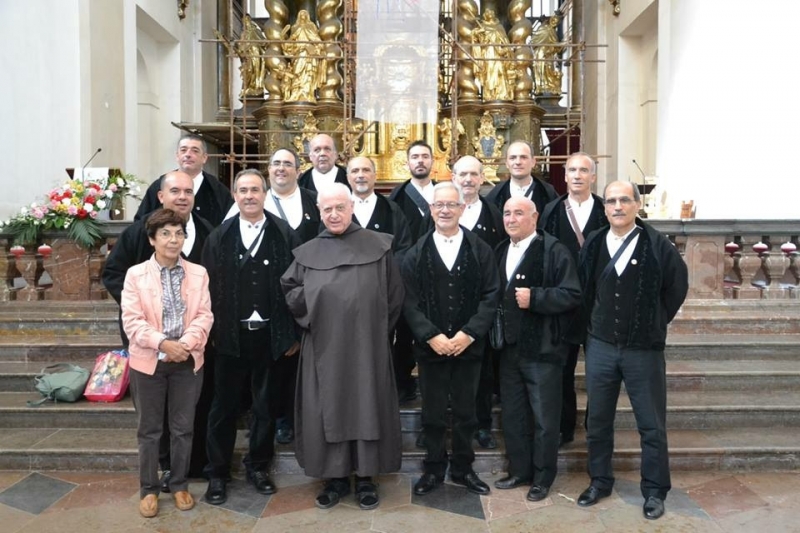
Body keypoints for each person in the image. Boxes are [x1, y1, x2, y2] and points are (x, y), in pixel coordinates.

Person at [281, 183, 404, 510]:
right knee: (327, 406)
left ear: (352, 208)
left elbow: (393, 297)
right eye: (327, 210)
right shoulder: (308, 252)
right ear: (319, 213)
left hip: (368, 346)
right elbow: (291, 289)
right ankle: (334, 479)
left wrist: (375, 330)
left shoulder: (378, 248)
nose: (333, 214)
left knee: (366, 404)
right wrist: (319, 310)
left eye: (339, 208)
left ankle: (366, 478)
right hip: (323, 346)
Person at [572, 181, 688, 520]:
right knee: (597, 420)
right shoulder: (594, 243)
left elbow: (676, 286)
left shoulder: (656, 244)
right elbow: (585, 288)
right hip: (601, 347)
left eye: (625, 200)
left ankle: (654, 491)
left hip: (643, 350)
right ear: (604, 207)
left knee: (651, 424)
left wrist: (654, 321)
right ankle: (600, 481)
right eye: (611, 201)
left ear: (638, 205)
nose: (618, 206)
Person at [103, 170, 215, 485]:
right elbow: (115, 275)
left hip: (192, 348)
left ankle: (187, 470)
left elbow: (207, 300)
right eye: (175, 190)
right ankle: (159, 475)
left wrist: (190, 340)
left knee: (187, 417)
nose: (182, 196)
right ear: (160, 196)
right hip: (149, 347)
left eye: (188, 191)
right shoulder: (138, 234)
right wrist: (147, 319)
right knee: (153, 423)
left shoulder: (206, 230)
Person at [201, 169, 301, 505]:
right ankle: (217, 472)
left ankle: (258, 467)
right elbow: (208, 288)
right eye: (242, 190)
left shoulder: (284, 232)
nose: (249, 196)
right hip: (229, 336)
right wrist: (212, 332)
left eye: (255, 190)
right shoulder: (219, 236)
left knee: (265, 407)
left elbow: (297, 285)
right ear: (234, 194)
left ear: (265, 192)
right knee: (223, 408)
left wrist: (291, 333)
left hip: (271, 337)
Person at [402, 182, 501, 497]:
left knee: (465, 412)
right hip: (430, 349)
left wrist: (469, 333)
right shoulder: (414, 253)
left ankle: (463, 468)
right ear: (431, 210)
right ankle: (432, 468)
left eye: (451, 205)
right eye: (439, 205)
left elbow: (491, 295)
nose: (445, 210)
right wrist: (431, 336)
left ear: (461, 208)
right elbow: (408, 301)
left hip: (468, 347)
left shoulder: (480, 249)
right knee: (431, 413)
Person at [121, 208, 213, 518]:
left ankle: (179, 484)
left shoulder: (198, 273)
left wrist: (184, 346)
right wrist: (163, 344)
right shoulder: (135, 275)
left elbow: (204, 315)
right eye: (165, 234)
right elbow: (132, 322)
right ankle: (149, 488)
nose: (173, 240)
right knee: (149, 429)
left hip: (187, 361)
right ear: (152, 239)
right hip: (148, 363)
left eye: (179, 233)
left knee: (183, 428)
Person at [492, 197, 581, 501]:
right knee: (514, 414)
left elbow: (572, 294)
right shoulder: (501, 250)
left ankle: (543, 477)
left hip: (544, 350)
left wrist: (537, 298)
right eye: (507, 213)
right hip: (508, 350)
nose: (511, 218)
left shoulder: (554, 250)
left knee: (545, 418)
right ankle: (520, 471)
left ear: (535, 217)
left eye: (519, 213)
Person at [540, 152, 608, 447]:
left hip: (599, 306)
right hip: (563, 308)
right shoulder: (552, 211)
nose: (578, 175)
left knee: (600, 373)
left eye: (584, 170)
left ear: (593, 177)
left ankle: (596, 426)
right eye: (572, 170)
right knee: (562, 371)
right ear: (564, 176)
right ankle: (564, 426)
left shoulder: (608, 210)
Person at [450, 156, 504, 450]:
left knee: (481, 372)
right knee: (444, 373)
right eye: (462, 174)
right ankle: (444, 424)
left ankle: (482, 425)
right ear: (453, 177)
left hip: (481, 307)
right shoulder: (440, 211)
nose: (468, 180)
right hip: (444, 307)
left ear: (482, 178)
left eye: (473, 174)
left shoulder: (494, 215)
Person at [388, 140, 437, 404]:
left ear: (432, 161)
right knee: (404, 333)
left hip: (438, 275)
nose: (420, 161)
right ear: (407, 162)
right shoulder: (396, 198)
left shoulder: (443, 195)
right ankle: (403, 383)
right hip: (406, 277)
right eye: (415, 156)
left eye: (425, 156)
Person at [135, 135, 233, 227]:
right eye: (183, 150)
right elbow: (141, 223)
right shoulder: (160, 185)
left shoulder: (218, 191)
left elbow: (229, 226)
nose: (188, 155)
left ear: (204, 158)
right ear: (177, 156)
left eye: (195, 151)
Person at [347, 156, 412, 257]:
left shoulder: (391, 209)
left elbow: (403, 247)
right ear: (348, 178)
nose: (361, 175)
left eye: (366, 170)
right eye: (355, 171)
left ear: (375, 176)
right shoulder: (337, 209)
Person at [484, 140, 557, 216]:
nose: (518, 162)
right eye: (512, 158)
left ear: (533, 162)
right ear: (506, 163)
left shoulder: (548, 194)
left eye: (523, 157)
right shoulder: (495, 196)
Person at [281, 9, 325, 102]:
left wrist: (317, 48)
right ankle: (296, 93)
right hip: (298, 53)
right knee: (297, 72)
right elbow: (291, 42)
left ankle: (308, 94)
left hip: (308, 54)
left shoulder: (311, 26)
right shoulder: (295, 27)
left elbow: (317, 40)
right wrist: (284, 38)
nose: (303, 14)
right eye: (301, 13)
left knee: (309, 73)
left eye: (305, 12)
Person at [472, 8, 515, 101]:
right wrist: (479, 32)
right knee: (489, 72)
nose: (490, 13)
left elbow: (505, 41)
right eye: (487, 12)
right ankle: (489, 95)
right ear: (485, 16)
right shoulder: (482, 26)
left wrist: (506, 50)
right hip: (488, 52)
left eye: (491, 11)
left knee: (500, 71)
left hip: (498, 53)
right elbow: (474, 38)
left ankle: (501, 94)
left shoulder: (499, 27)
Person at [531, 16, 563, 96]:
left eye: (556, 22)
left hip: (546, 54)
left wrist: (559, 46)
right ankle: (541, 86)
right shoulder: (545, 29)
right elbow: (533, 41)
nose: (554, 23)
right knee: (542, 68)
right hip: (541, 53)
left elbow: (555, 45)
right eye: (553, 21)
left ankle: (545, 86)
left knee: (547, 69)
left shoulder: (551, 31)